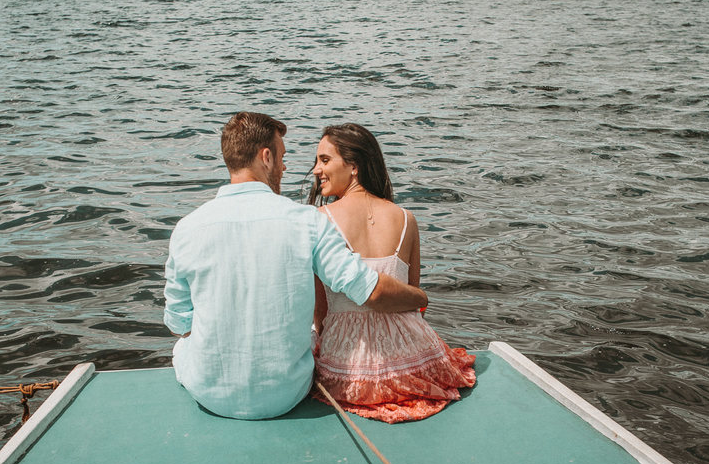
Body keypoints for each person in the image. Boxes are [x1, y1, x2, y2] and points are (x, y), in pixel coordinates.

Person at [163, 112, 427, 420]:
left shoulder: (186, 228)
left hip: (209, 393)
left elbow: (179, 323)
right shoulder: (307, 222)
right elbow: (369, 289)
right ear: (266, 157)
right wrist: (420, 297)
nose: (286, 167)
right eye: (283, 156)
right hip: (286, 393)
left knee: (183, 348)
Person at [309, 123, 475, 423]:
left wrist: (321, 344)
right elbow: (413, 301)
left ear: (354, 166)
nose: (315, 170)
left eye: (324, 160)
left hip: (352, 370)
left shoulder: (319, 220)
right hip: (415, 359)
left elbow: (321, 310)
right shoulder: (406, 219)